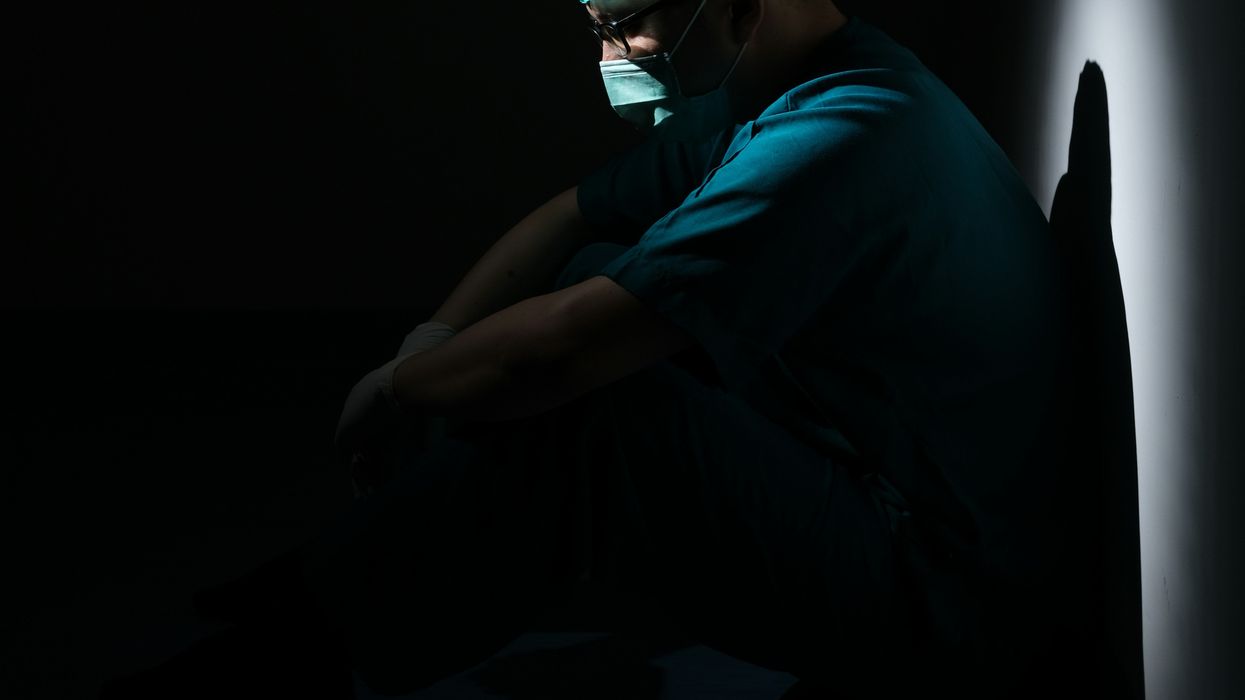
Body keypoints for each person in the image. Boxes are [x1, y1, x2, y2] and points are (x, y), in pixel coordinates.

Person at [101, 1, 1072, 698]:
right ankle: (333, 587)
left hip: (949, 612)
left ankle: (300, 645)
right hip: (888, 486)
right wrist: (428, 341)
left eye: (627, 26)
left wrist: (401, 389)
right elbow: (570, 216)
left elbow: (558, 355)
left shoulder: (838, 140)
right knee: (611, 262)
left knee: (604, 410)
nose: (610, 54)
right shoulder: (818, 77)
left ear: (738, 8)